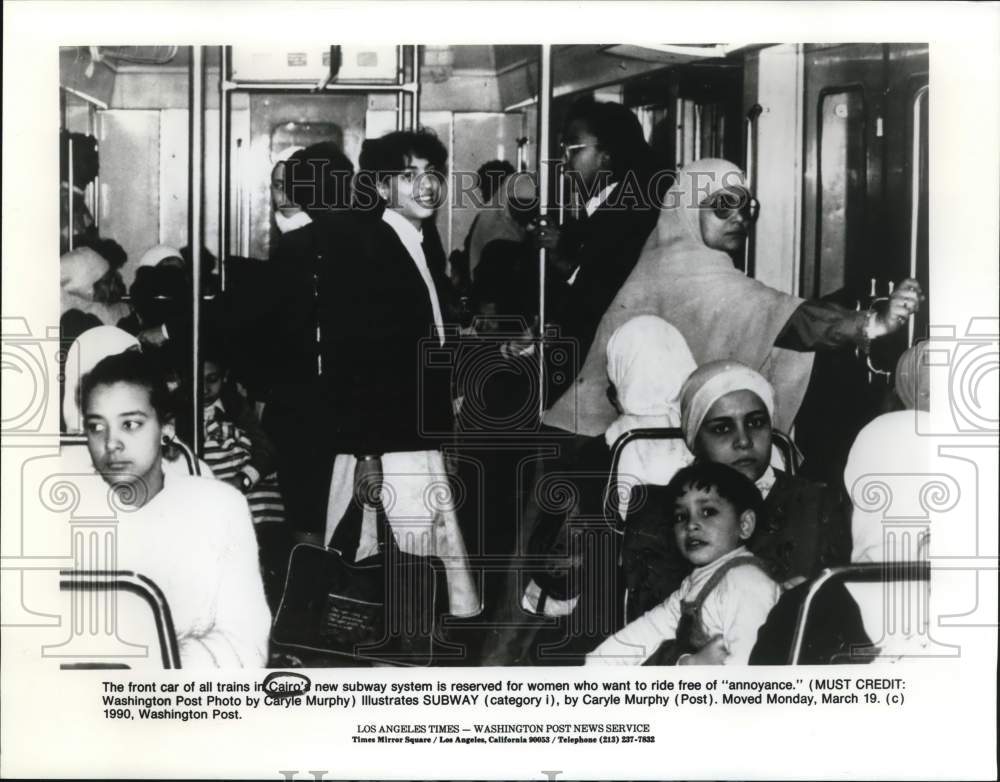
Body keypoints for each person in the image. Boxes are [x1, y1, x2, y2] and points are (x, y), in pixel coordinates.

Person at [543, 157, 923, 448]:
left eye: (746, 207)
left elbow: (769, 311)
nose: (739, 217)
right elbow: (779, 317)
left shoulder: (679, 260)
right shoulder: (681, 268)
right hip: (599, 444)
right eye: (722, 206)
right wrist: (872, 324)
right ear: (688, 210)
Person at [325, 129, 479, 619]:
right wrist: (368, 454)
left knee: (416, 569)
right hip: (387, 440)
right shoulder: (371, 243)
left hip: (414, 436)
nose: (425, 185)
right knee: (399, 569)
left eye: (432, 173)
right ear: (383, 186)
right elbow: (355, 359)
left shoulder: (419, 241)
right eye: (408, 175)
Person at [79, 349, 271, 667]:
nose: (111, 443)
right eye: (96, 427)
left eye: (130, 424)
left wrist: (144, 666)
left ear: (166, 428)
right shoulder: (63, 515)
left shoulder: (220, 509)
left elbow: (245, 646)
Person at [586, 462, 780, 665]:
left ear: (744, 524)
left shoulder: (745, 581)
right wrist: (596, 665)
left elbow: (750, 669)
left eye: (708, 512)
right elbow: (647, 632)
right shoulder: (693, 585)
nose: (691, 525)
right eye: (681, 516)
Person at [680, 360, 852, 588]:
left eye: (756, 423)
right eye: (722, 428)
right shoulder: (664, 512)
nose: (744, 441)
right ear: (695, 439)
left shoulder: (817, 505)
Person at [530, 98, 661, 397]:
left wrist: (565, 259)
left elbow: (604, 291)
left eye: (574, 150)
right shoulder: (603, 213)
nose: (564, 164)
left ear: (607, 156)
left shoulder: (630, 216)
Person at [60, 246, 131, 327]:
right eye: (106, 282)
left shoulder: (96, 308)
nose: (111, 289)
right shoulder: (64, 315)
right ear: (86, 284)